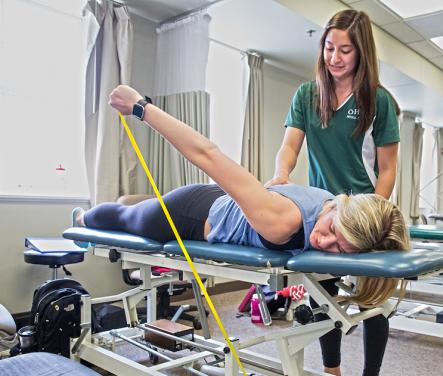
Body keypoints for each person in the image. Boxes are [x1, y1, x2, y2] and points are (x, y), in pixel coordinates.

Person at [73, 84, 409, 310]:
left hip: (226, 203)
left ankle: (130, 201)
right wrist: (141, 107)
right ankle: (83, 218)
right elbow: (205, 153)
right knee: (124, 220)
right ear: (339, 206)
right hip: (189, 215)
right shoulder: (283, 221)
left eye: (340, 248)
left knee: (136, 206)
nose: (324, 242)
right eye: (333, 230)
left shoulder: (335, 202)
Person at [266, 9, 401, 376]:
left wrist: (374, 215)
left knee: (375, 303)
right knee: (323, 297)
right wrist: (281, 175)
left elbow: (387, 169)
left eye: (345, 50)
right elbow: (290, 146)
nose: (335, 58)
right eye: (329, 48)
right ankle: (332, 370)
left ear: (361, 53)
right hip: (322, 214)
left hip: (363, 215)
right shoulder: (308, 94)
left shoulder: (378, 101)